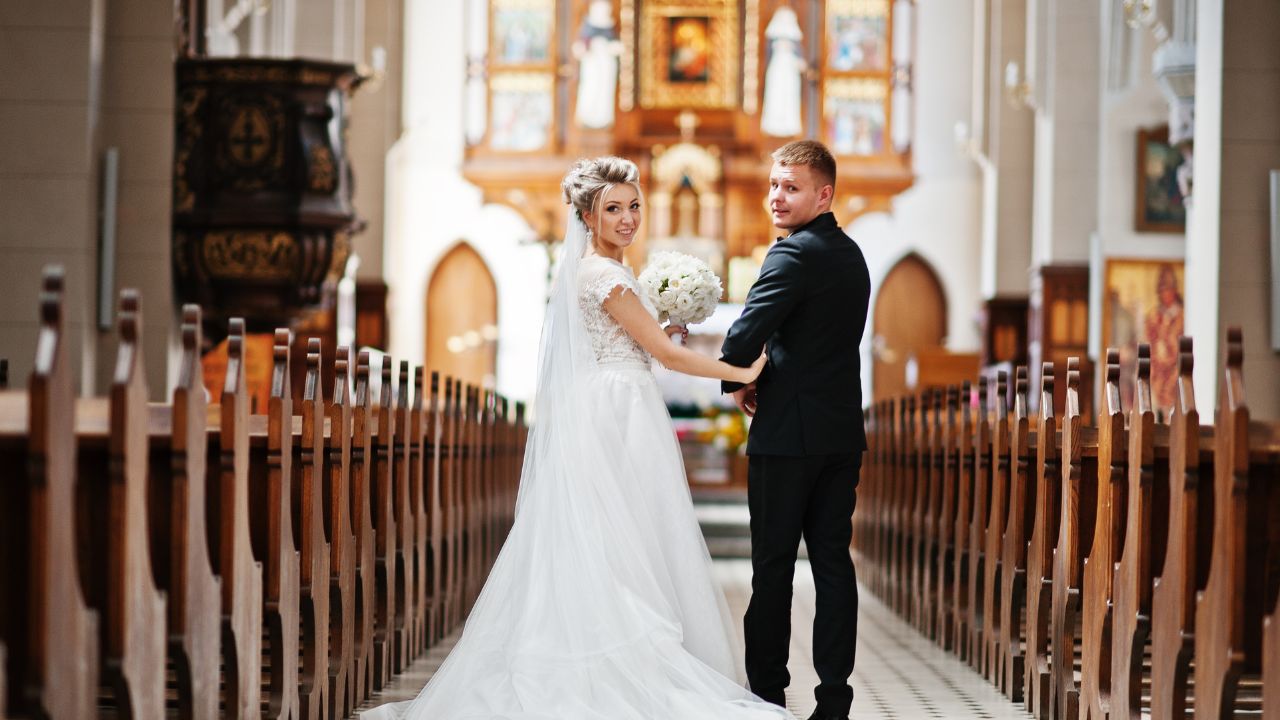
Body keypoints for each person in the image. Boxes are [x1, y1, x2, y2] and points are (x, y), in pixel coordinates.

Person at [362, 157, 789, 719]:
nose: (628, 218)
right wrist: (743, 372)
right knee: (617, 538)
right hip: (615, 415)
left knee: (627, 538)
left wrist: (668, 330)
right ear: (588, 215)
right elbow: (663, 357)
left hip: (620, 404)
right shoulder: (601, 274)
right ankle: (616, 655)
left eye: (634, 206)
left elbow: (643, 345)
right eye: (613, 209)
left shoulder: (607, 272)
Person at [720, 140, 871, 720]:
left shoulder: (792, 255)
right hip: (839, 433)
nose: (777, 198)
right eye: (774, 185)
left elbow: (741, 336)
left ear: (823, 193)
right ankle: (835, 699)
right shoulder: (851, 253)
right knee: (833, 562)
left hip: (787, 437)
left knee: (773, 567)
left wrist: (741, 379)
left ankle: (766, 697)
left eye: (791, 187)